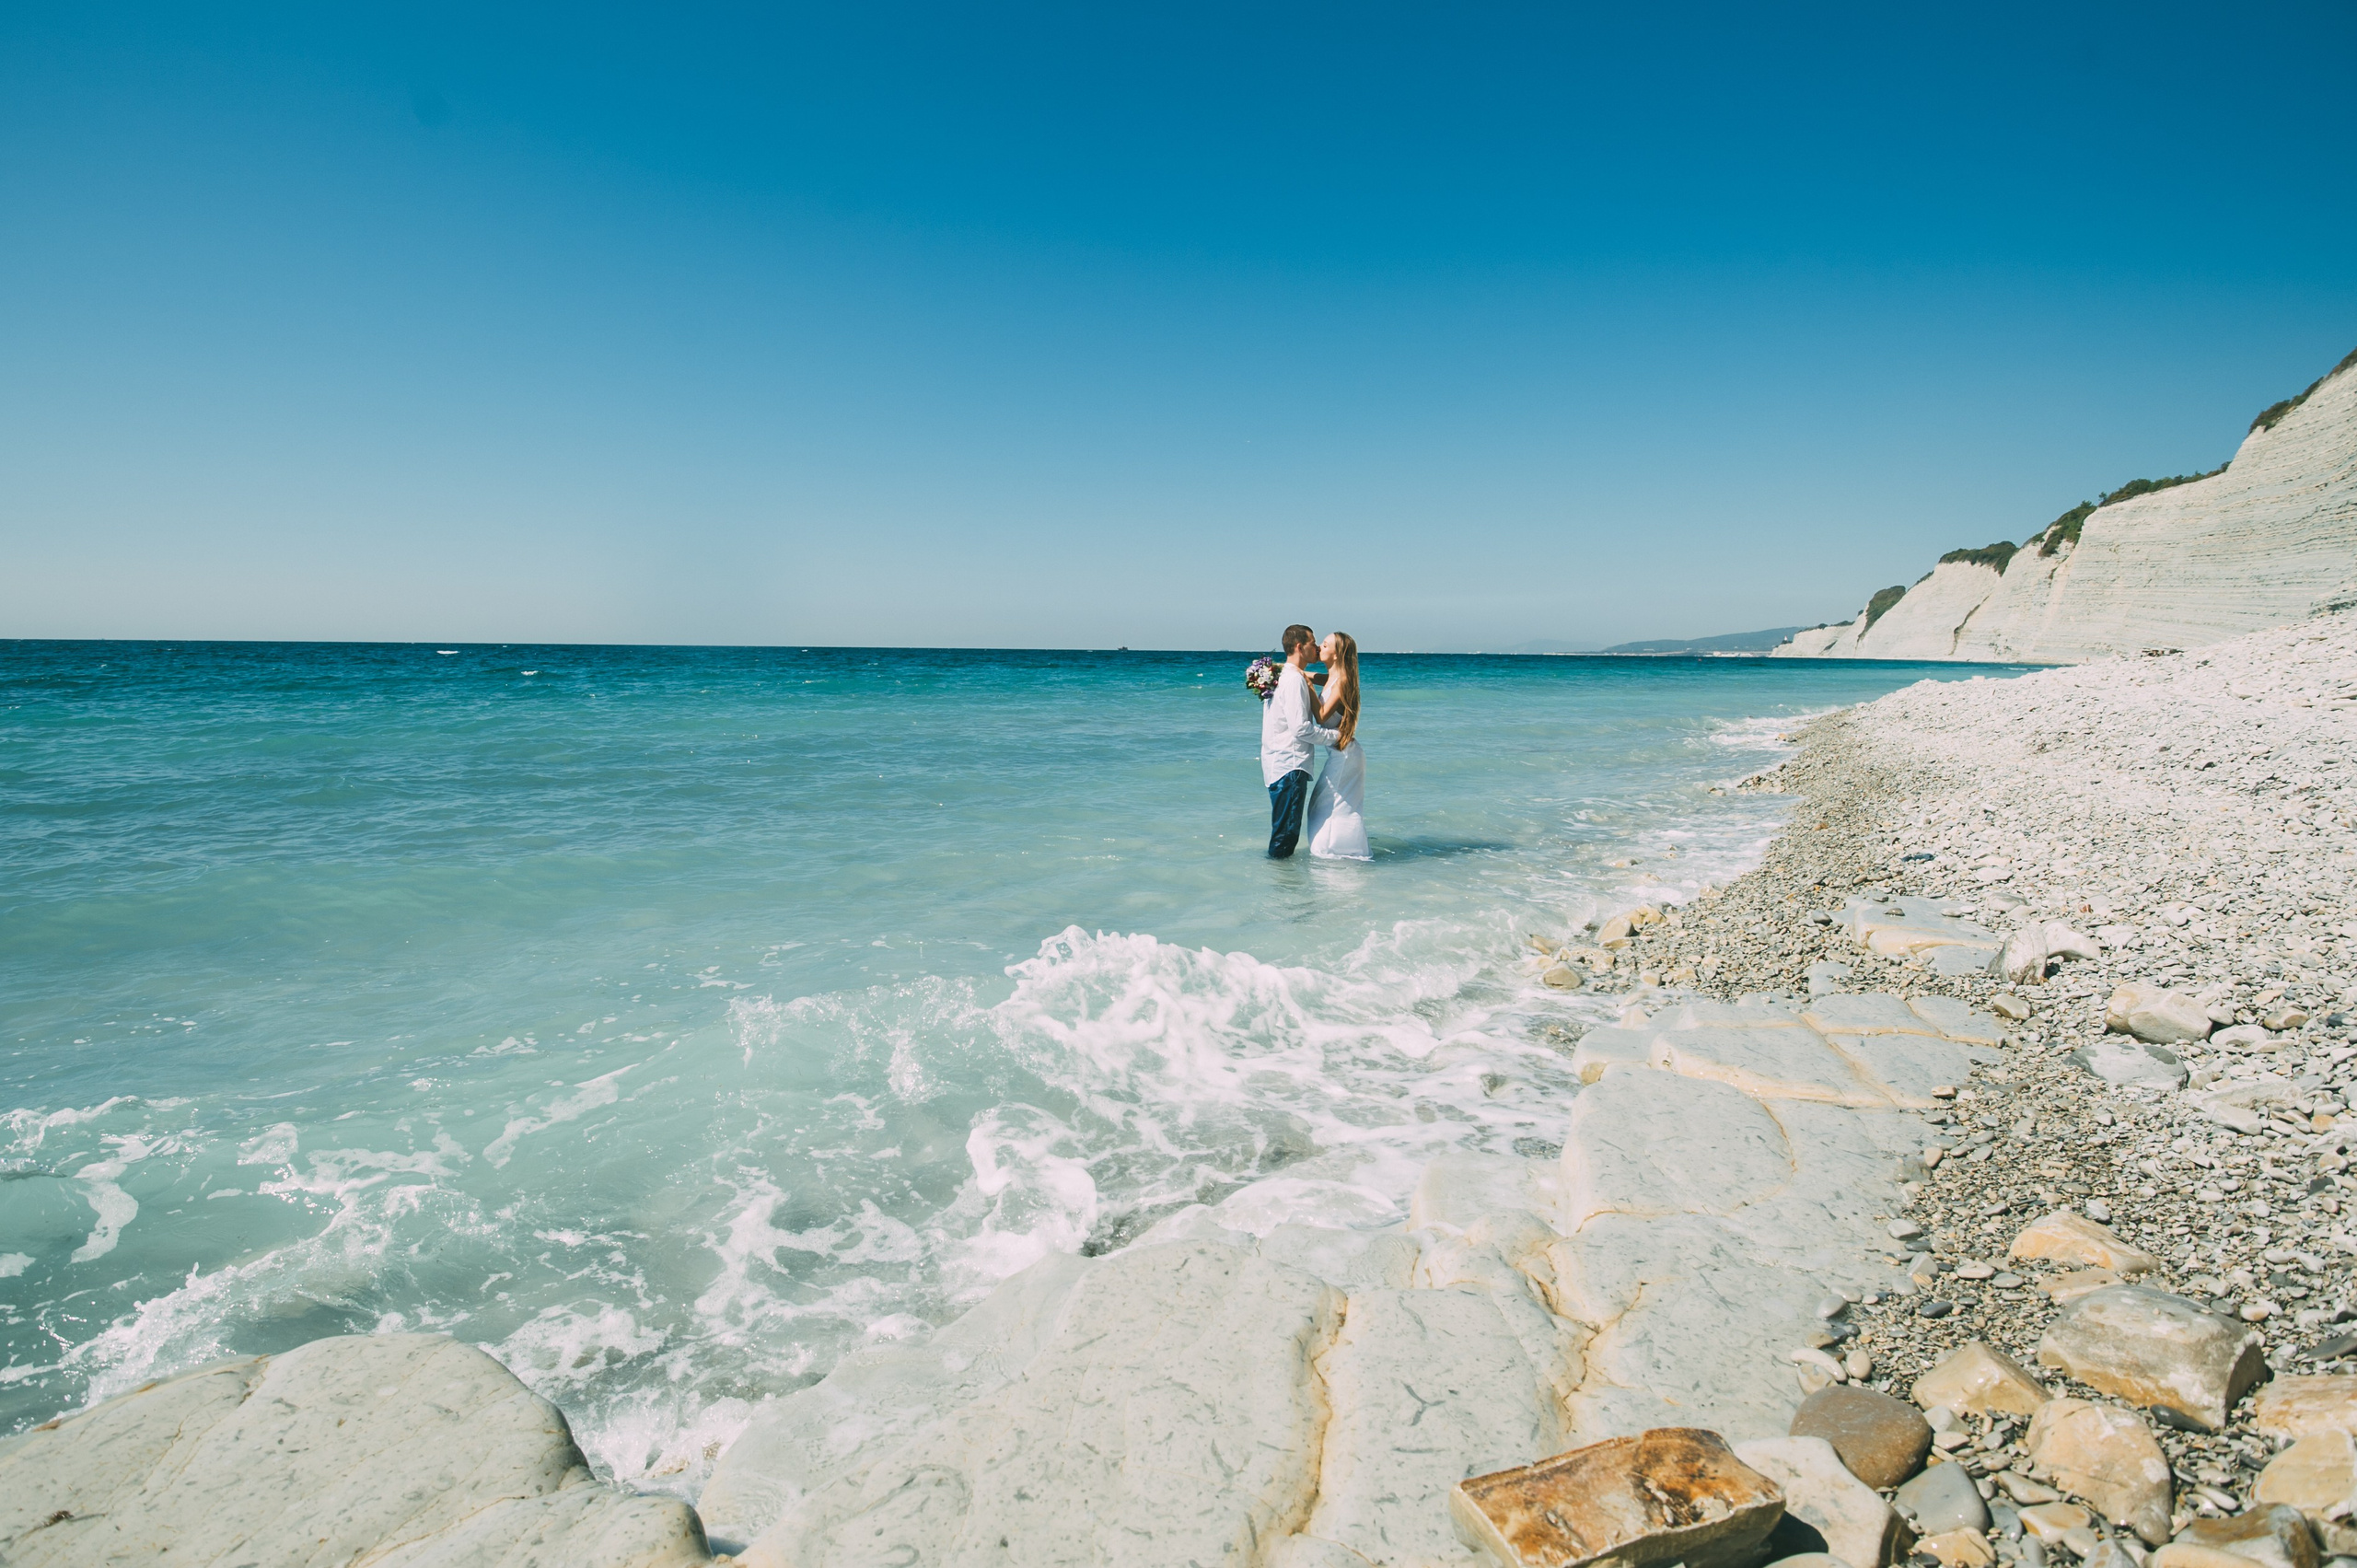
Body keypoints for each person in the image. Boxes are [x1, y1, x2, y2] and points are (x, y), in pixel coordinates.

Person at [1260, 624, 1337, 858]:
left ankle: (1280, 885)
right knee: (1286, 836)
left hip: (1279, 763)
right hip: (1290, 765)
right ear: (1299, 647)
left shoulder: (1284, 675)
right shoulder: (1293, 680)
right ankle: (1283, 889)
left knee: (1284, 832)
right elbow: (1301, 729)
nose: (1315, 647)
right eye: (1312, 643)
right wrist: (1336, 736)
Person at [1305, 631, 1369, 860]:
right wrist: (1276, 668)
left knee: (1331, 804)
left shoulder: (1342, 681)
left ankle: (1336, 850)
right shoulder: (1332, 678)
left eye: (1324, 645)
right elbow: (1307, 674)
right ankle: (1337, 849)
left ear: (1337, 653)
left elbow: (1321, 716)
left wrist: (1309, 690)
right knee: (1325, 803)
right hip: (1340, 753)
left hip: (1345, 755)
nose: (1319, 647)